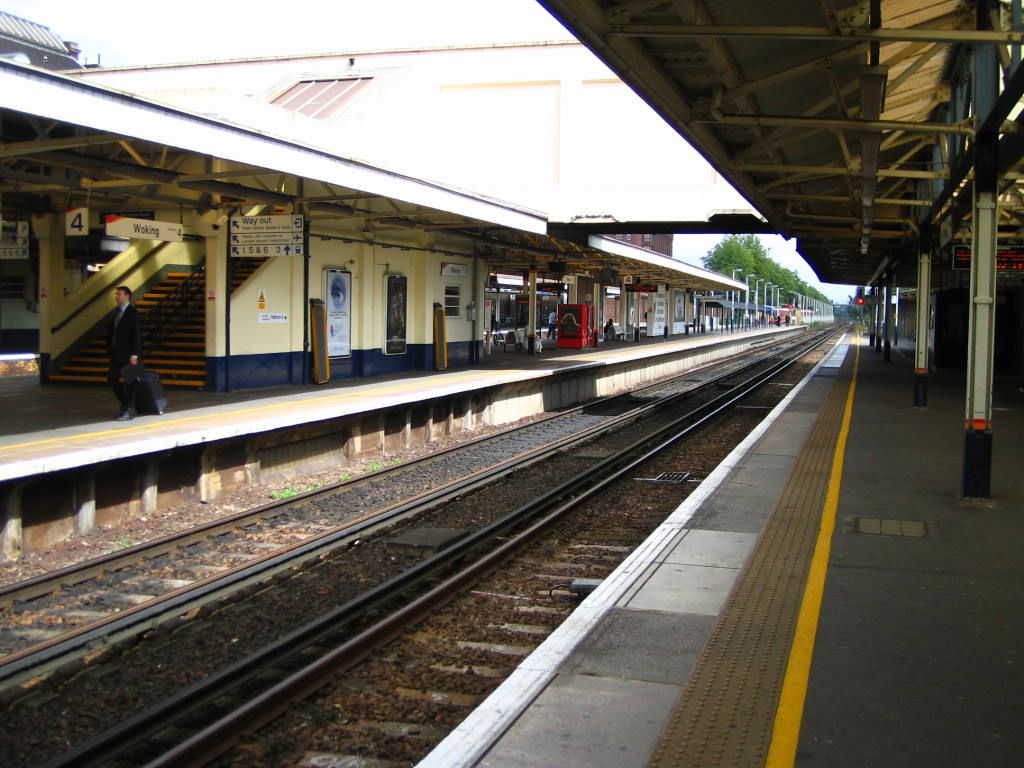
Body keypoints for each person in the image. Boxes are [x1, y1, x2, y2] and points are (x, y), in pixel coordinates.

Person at [107, 285, 142, 421]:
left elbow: (136, 334)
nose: (117, 296)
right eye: (116, 294)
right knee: (112, 378)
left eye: (119, 294)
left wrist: (135, 354)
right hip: (116, 353)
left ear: (127, 296)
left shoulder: (132, 313)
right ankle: (125, 404)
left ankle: (129, 408)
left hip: (129, 355)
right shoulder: (116, 313)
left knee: (131, 381)